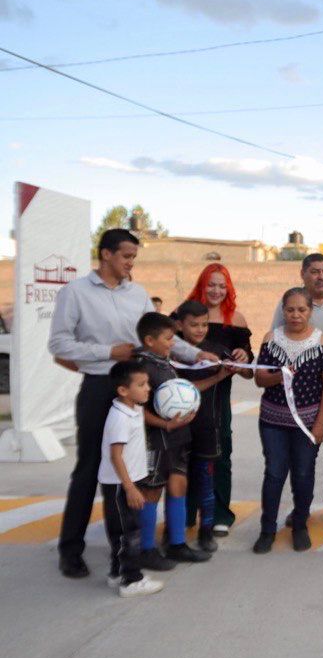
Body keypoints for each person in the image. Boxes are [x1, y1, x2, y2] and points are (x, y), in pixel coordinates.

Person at [47, 228, 212, 579]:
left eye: (134, 257)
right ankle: (70, 550)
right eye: (126, 256)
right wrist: (107, 352)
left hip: (139, 392)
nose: (130, 263)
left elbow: (160, 337)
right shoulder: (74, 293)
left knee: (130, 472)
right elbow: (60, 344)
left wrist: (198, 354)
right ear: (105, 254)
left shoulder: (137, 294)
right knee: (90, 469)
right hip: (99, 388)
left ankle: (126, 550)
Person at [272, 253, 323, 520]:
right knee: (302, 457)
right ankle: (301, 509)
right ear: (303, 274)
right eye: (315, 271)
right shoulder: (292, 303)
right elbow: (276, 339)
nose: (321, 276)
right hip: (303, 394)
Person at [253, 288, 323, 554]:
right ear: (283, 310)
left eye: (301, 310)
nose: (296, 315)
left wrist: (321, 423)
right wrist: (281, 376)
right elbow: (259, 379)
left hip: (308, 423)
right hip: (273, 420)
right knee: (275, 473)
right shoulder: (271, 338)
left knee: (303, 473)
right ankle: (267, 529)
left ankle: (300, 524)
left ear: (310, 311)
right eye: (290, 309)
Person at [133, 311, 211, 565]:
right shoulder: (141, 367)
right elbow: (137, 410)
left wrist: (218, 375)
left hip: (178, 438)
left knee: (178, 486)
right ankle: (146, 550)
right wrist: (165, 424)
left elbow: (182, 392)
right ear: (149, 340)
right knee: (152, 491)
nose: (172, 343)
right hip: (156, 440)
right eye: (168, 338)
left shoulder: (164, 362)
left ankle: (177, 544)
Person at [184, 263, 253, 537]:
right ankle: (186, 512)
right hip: (185, 397)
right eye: (210, 284)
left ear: (229, 289)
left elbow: (249, 373)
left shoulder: (236, 320)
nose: (215, 290)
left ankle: (221, 514)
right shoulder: (183, 314)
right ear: (201, 284)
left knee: (220, 455)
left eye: (221, 285)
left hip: (218, 399)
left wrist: (244, 358)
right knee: (183, 456)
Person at [172, 300, 237, 553]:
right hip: (177, 428)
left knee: (207, 479)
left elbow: (246, 373)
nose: (200, 330)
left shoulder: (218, 350)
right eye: (193, 325)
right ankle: (177, 529)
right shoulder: (172, 352)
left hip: (208, 427)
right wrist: (218, 376)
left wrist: (239, 360)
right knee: (177, 479)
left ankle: (206, 531)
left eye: (204, 325)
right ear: (179, 325)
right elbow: (185, 391)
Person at [99, 360, 165, 597]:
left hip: (128, 482)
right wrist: (130, 488)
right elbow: (115, 456)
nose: (148, 388)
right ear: (123, 390)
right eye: (142, 384)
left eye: (147, 383)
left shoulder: (133, 408)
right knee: (130, 533)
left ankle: (117, 573)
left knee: (122, 531)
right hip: (120, 485)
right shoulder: (119, 418)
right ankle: (131, 580)